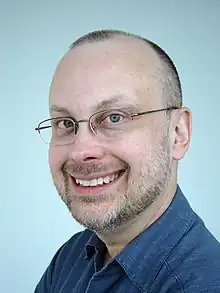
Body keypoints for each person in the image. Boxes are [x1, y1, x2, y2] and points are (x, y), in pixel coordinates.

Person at [34, 29, 220, 293]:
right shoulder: (70, 258)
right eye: (65, 123)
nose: (81, 150)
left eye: (114, 118)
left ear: (178, 133)